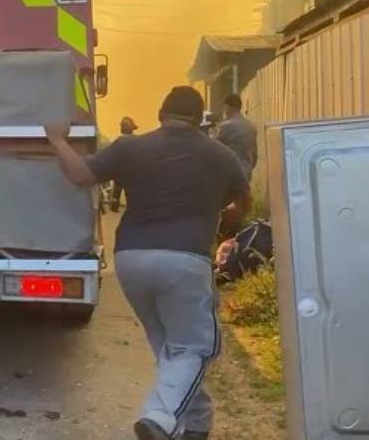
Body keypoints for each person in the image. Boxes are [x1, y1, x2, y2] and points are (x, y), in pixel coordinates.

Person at [45, 86, 251, 440]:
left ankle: (196, 425)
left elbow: (80, 175)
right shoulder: (221, 155)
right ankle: (161, 417)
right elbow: (242, 204)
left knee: (172, 351)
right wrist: (221, 220)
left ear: (161, 113)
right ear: (200, 119)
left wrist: (57, 140)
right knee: (197, 347)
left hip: (131, 261)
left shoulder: (130, 147)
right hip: (186, 260)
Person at [215, 94, 257, 181]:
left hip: (231, 173)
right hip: (247, 172)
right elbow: (255, 153)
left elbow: (214, 148)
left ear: (227, 107)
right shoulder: (251, 126)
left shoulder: (226, 126)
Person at [109, 116, 138, 212]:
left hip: (119, 172)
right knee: (130, 193)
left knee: (116, 192)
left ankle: (114, 206)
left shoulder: (117, 142)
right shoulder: (137, 141)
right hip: (131, 172)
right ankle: (132, 208)